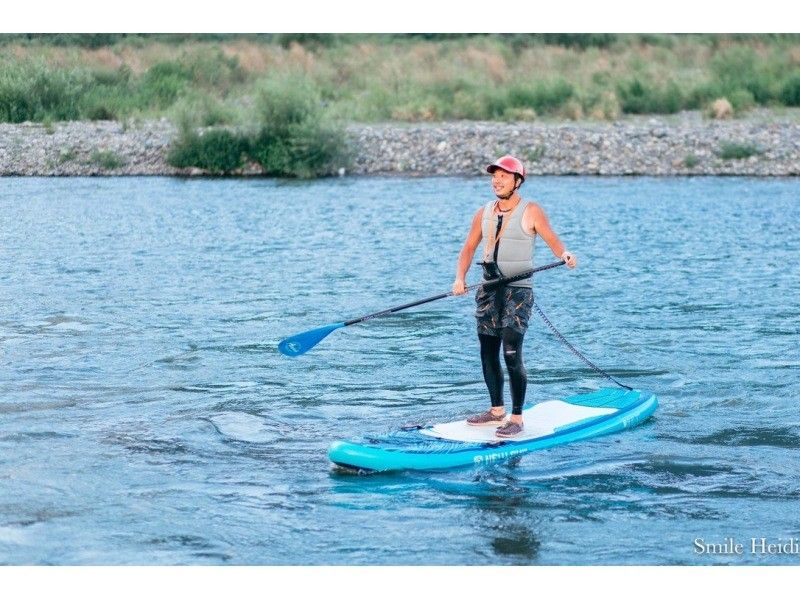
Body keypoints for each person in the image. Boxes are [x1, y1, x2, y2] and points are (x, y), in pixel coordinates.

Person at [452, 155, 577, 438]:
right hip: (488, 288)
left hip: (518, 290)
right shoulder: (483, 212)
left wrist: (564, 255)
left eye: (503, 176)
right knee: (487, 351)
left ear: (517, 182)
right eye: (494, 176)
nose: (496, 181)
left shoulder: (531, 210)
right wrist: (459, 278)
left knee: (511, 352)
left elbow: (553, 240)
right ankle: (496, 410)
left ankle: (517, 417)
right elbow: (468, 248)